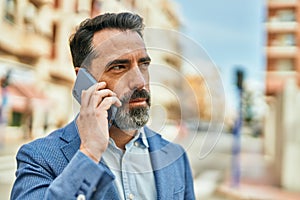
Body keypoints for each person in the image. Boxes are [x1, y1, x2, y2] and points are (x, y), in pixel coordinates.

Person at [11, 12, 195, 200]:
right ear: (84, 79)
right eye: (119, 67)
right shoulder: (39, 158)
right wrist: (89, 153)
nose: (140, 82)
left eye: (143, 64)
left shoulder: (175, 157)